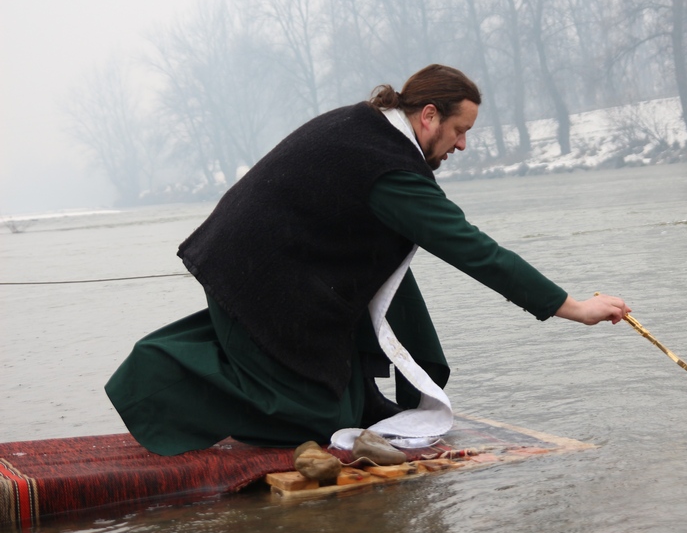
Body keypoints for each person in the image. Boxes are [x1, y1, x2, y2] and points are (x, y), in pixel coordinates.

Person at [105, 64, 630, 456]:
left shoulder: (371, 126)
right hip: (254, 283)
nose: (463, 144)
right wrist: (572, 307)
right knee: (314, 423)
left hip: (284, 273)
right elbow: (477, 253)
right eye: (459, 130)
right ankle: (156, 374)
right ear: (429, 116)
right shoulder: (389, 168)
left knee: (380, 301)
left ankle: (358, 395)